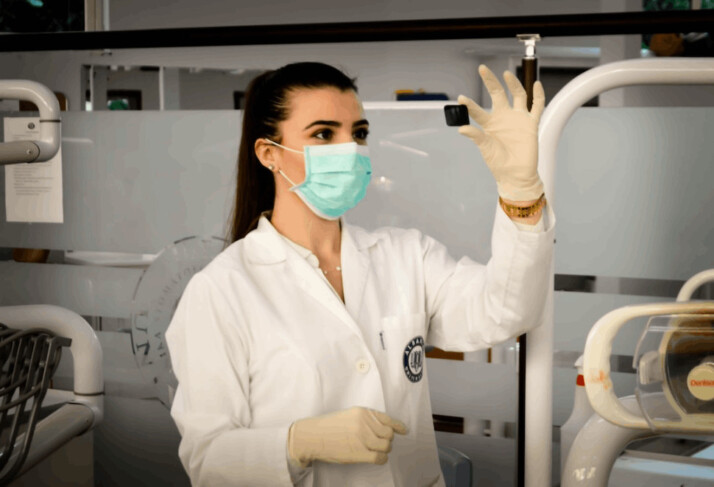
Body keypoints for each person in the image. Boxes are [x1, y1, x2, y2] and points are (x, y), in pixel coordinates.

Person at [165, 61, 555, 487]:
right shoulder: (221, 291)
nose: (349, 148)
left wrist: (521, 191)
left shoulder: (405, 255)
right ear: (268, 154)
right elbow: (208, 461)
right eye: (323, 134)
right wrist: (297, 443)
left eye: (360, 133)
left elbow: (506, 311)